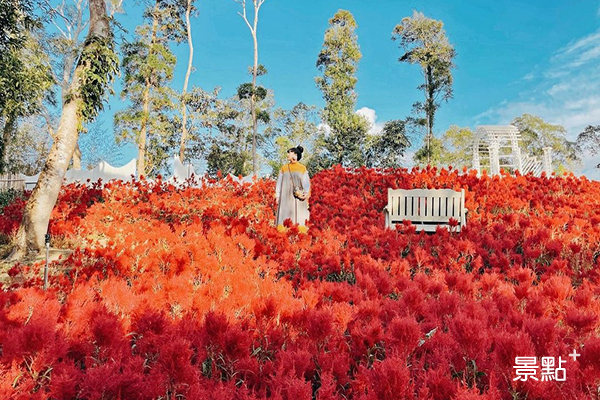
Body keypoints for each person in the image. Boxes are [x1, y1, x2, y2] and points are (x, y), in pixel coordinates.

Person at [275, 146, 310, 233]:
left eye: (289, 152)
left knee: (299, 217)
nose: (287, 154)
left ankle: (299, 235)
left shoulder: (302, 168)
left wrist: (305, 193)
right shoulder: (284, 168)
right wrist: (278, 195)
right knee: (285, 216)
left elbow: (306, 183)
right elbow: (279, 182)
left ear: (295, 154)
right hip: (285, 197)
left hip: (298, 197)